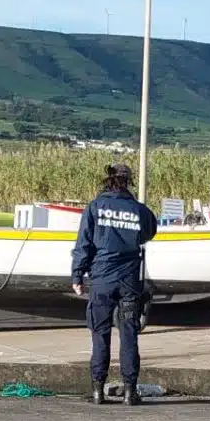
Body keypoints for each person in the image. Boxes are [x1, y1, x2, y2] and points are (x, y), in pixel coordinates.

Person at [71, 163, 158, 405]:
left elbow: (83, 245)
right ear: (129, 181)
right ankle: (130, 391)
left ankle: (98, 390)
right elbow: (151, 231)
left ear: (107, 180)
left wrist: (77, 276)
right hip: (129, 280)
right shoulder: (139, 210)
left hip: (102, 279)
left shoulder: (95, 207)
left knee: (100, 334)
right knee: (129, 334)